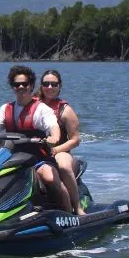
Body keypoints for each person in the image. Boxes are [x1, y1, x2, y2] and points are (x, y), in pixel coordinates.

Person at [0, 65, 72, 213]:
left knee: (50, 178)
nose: (21, 87)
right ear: (13, 87)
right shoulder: (6, 108)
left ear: (31, 86)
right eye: (17, 84)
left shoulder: (42, 109)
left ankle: (70, 214)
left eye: (25, 84)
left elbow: (52, 125)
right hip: (11, 157)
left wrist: (54, 138)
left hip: (37, 158)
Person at [35, 69, 84, 215]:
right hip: (36, 150)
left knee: (62, 166)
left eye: (54, 84)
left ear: (59, 86)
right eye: (46, 84)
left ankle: (77, 207)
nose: (50, 87)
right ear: (41, 86)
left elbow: (75, 140)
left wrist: (56, 150)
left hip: (60, 150)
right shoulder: (33, 105)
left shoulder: (65, 110)